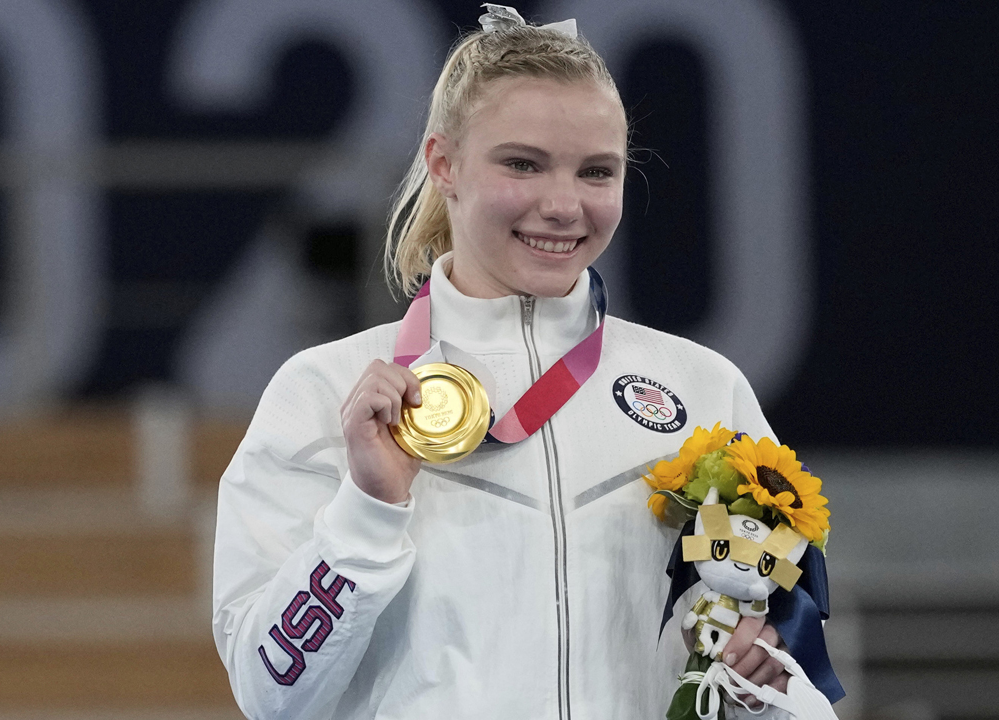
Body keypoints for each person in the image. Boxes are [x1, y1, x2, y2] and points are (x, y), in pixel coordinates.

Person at [212, 7, 806, 718]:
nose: (562, 205)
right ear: (444, 163)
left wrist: (760, 688)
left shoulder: (704, 389)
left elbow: (779, 658)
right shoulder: (321, 395)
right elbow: (266, 691)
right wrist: (368, 512)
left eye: (597, 172)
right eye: (522, 164)